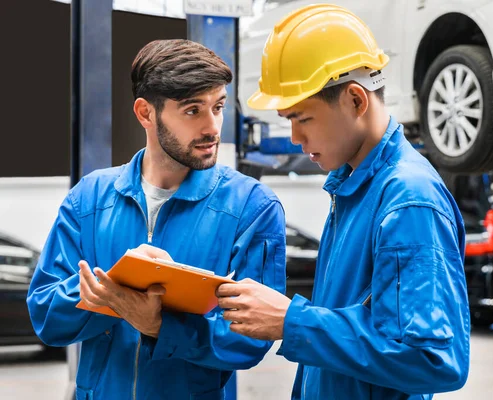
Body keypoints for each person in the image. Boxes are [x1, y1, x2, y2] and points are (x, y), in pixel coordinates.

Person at [216, 5, 470, 400]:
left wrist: (291, 321)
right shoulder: (353, 188)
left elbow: (433, 358)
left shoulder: (409, 201)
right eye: (288, 120)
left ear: (355, 99)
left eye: (303, 118)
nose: (295, 138)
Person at [27, 39, 286, 399]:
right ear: (146, 113)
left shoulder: (252, 207)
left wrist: (160, 325)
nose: (212, 127)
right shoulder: (89, 199)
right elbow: (45, 316)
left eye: (218, 107)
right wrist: (106, 293)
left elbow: (250, 340)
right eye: (193, 111)